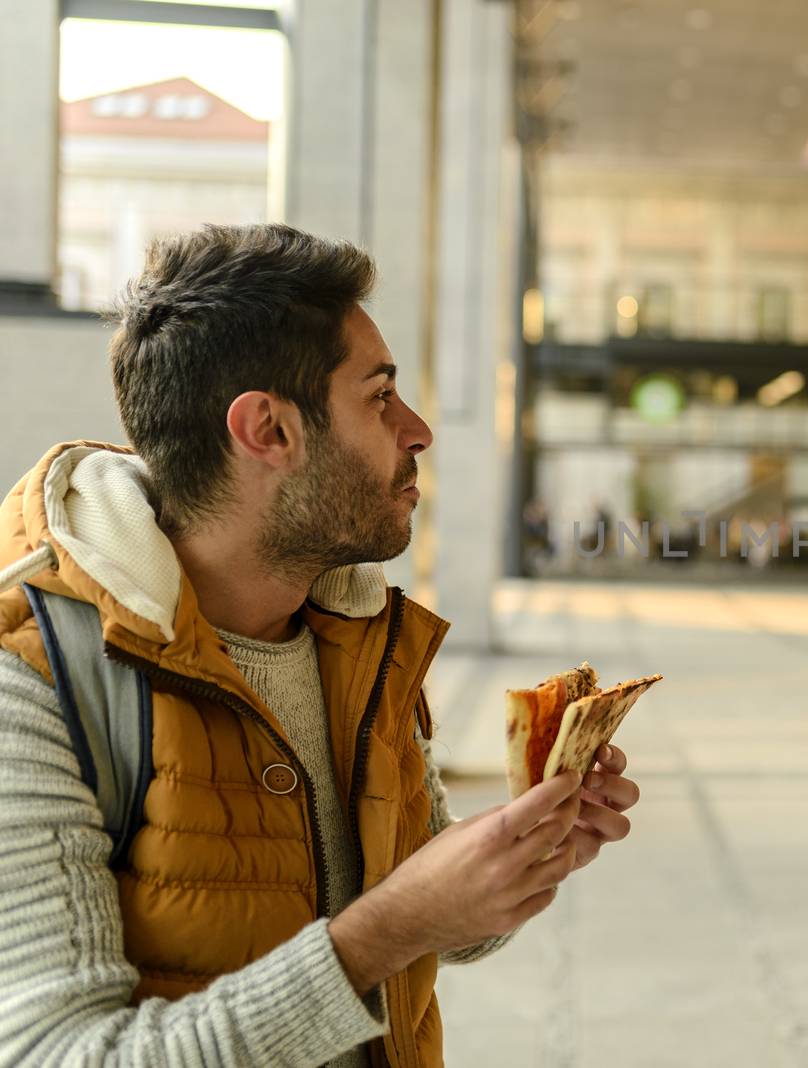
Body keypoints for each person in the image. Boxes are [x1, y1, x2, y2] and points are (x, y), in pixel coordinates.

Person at [0, 224, 641, 1067]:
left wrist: (519, 854)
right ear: (268, 429)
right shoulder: (34, 679)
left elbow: (438, 928)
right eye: (379, 397)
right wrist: (391, 926)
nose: (417, 430)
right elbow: (59, 1055)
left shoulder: (359, 633)